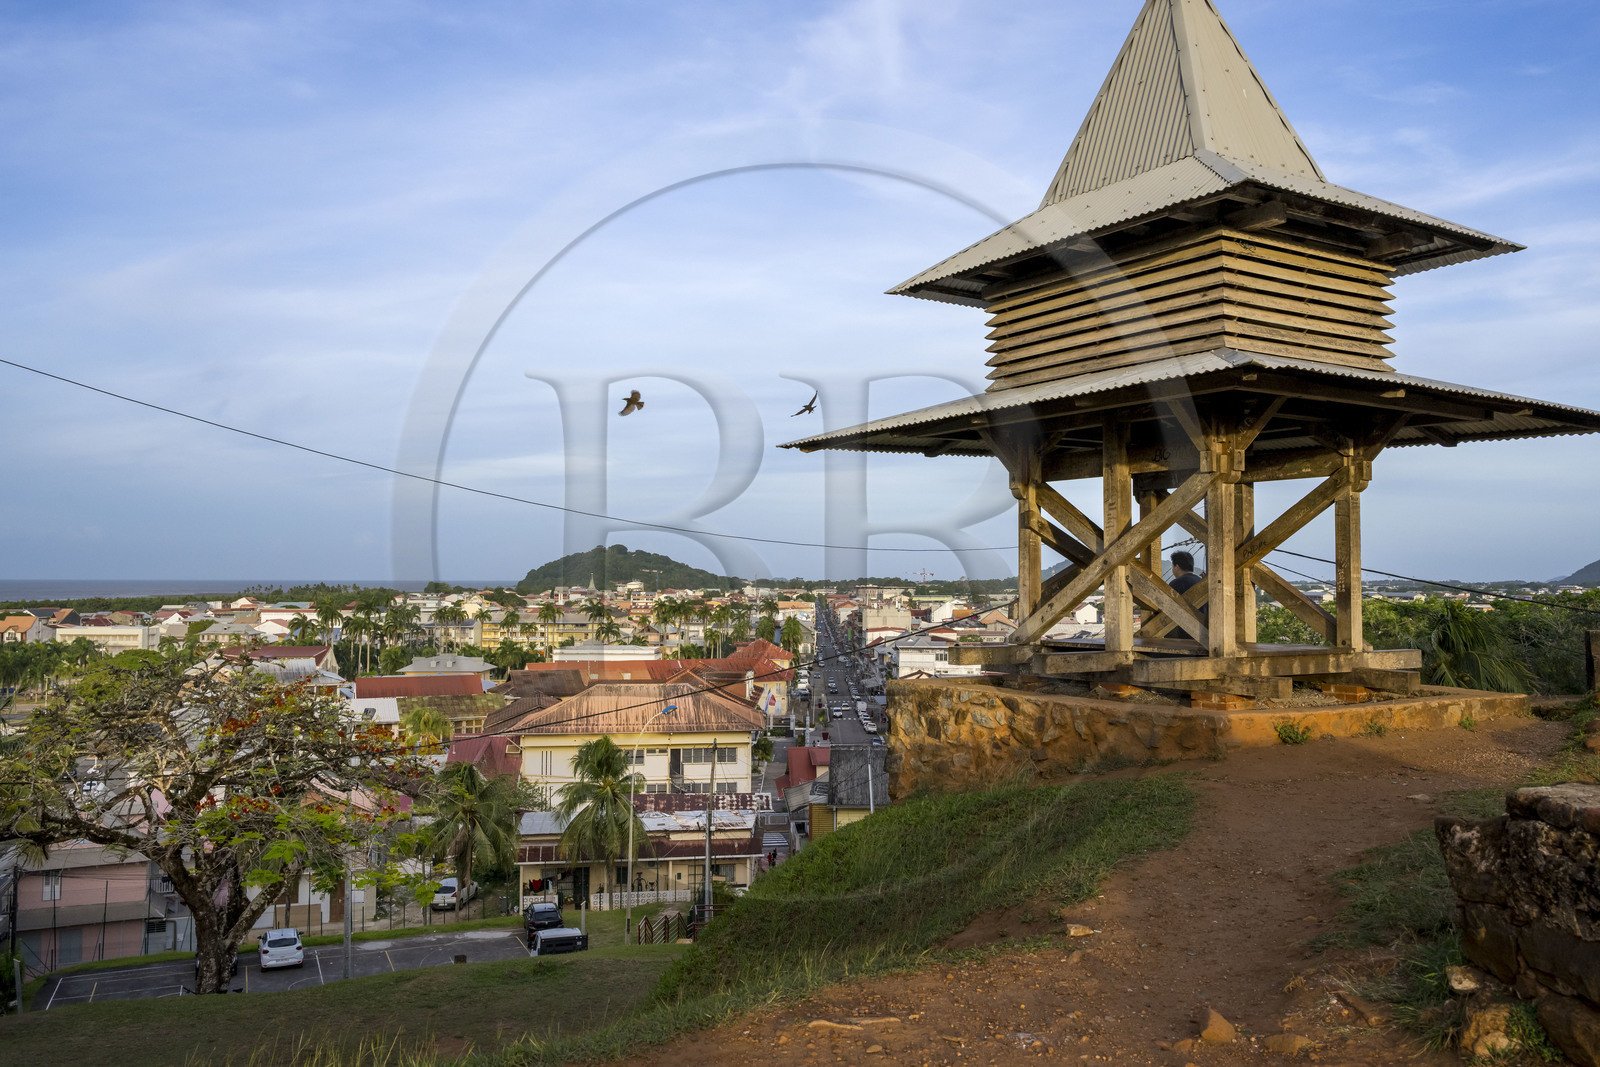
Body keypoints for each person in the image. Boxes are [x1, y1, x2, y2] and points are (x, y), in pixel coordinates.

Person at [1169, 551, 1203, 642]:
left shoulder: (1176, 583)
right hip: (1203, 633)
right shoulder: (1201, 582)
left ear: (1177, 567)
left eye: (1172, 566)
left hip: (1184, 636)